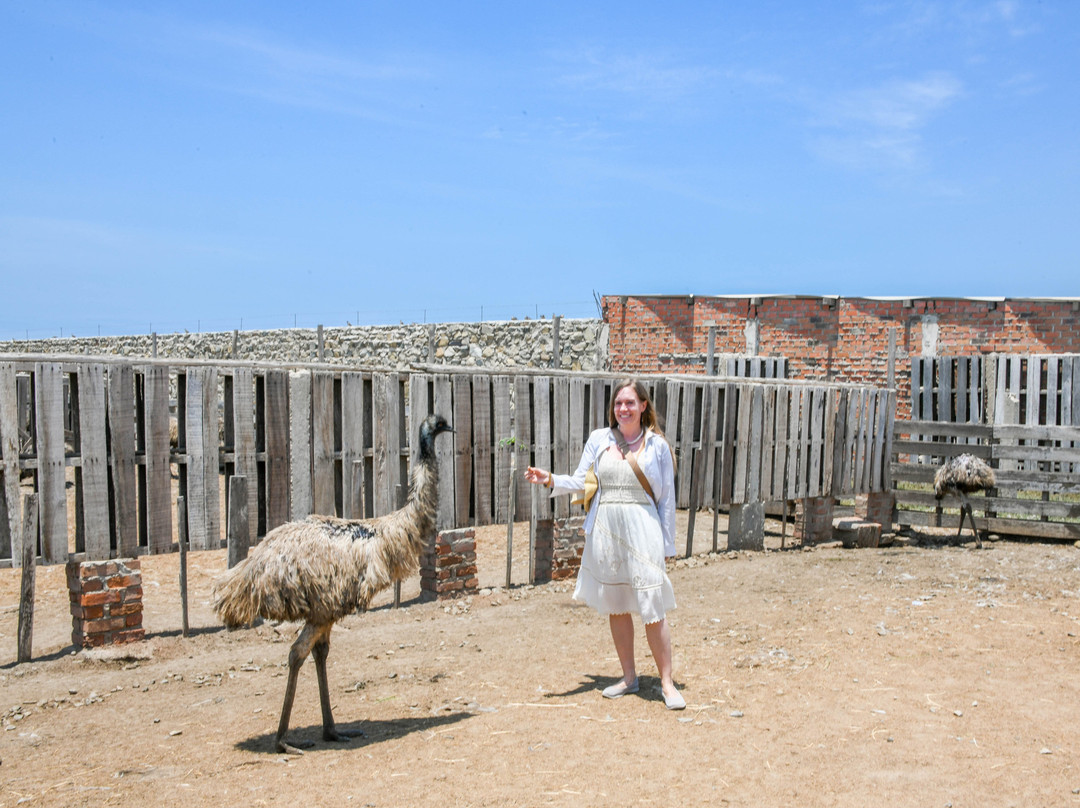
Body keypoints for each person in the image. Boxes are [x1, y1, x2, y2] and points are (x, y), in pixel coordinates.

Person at [524, 379, 684, 710]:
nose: (622, 409)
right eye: (618, 404)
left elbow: (666, 499)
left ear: (643, 406)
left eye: (629, 403)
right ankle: (629, 677)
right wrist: (551, 479)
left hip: (643, 527)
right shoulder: (599, 439)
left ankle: (667, 683)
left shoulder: (656, 446)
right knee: (617, 602)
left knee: (652, 604)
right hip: (607, 529)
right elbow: (584, 481)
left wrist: (668, 545)